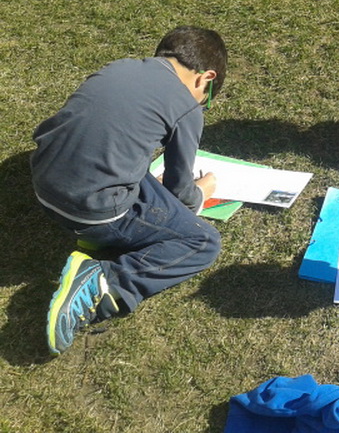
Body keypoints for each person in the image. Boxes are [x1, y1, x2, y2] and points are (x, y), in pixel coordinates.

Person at [32, 26, 228, 355]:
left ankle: (101, 238)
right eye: (206, 100)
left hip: (43, 181)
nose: (202, 106)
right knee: (204, 242)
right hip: (92, 210)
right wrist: (201, 191)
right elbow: (181, 193)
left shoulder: (119, 67)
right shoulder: (187, 105)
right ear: (205, 78)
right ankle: (102, 280)